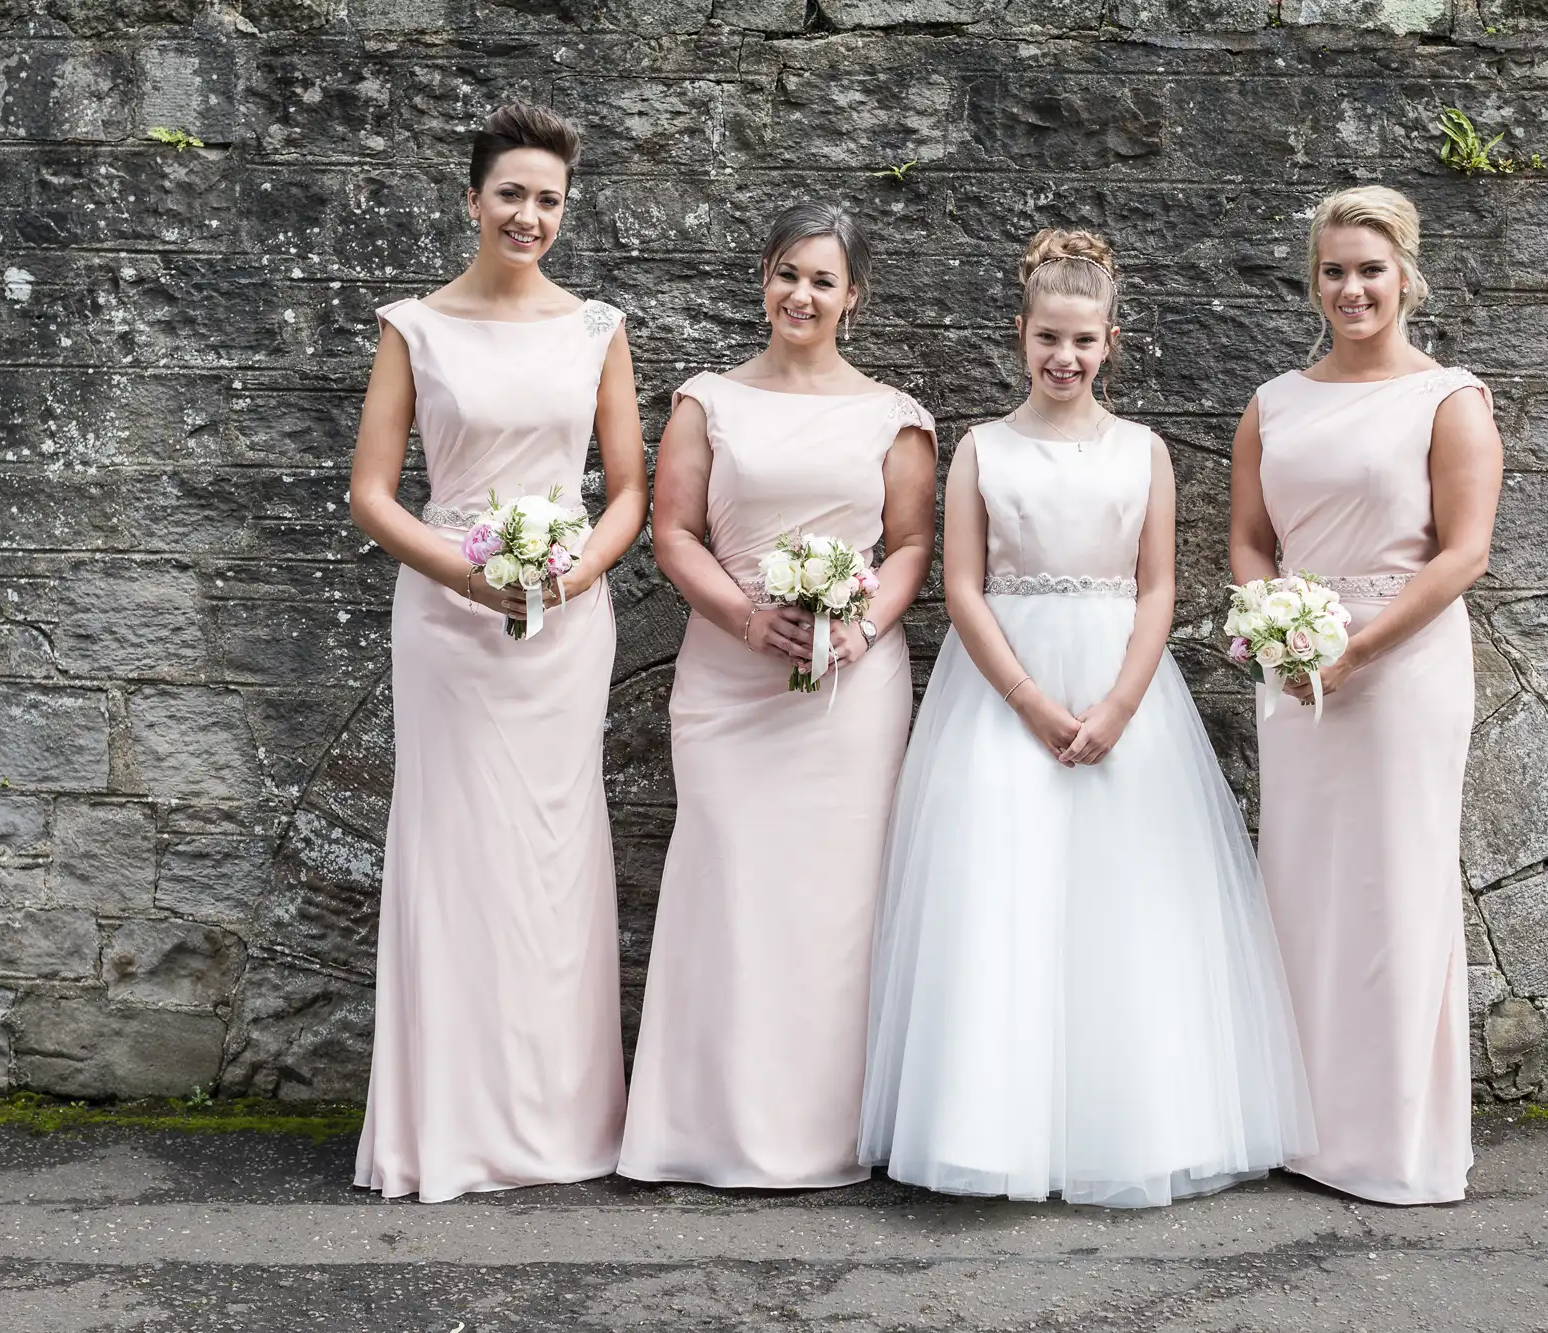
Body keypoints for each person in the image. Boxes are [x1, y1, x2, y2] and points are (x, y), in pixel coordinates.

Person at [859, 228, 1317, 1208]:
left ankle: (1130, 1122)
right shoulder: (980, 448)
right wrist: (1026, 698)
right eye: (1046, 339)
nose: (1062, 359)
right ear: (1019, 335)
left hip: (1121, 689)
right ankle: (987, 1126)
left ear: (1111, 341)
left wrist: (1116, 703)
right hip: (999, 690)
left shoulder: (1142, 451)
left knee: (1126, 901)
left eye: (1082, 341)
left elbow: (1157, 589)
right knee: (998, 888)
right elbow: (963, 587)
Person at [347, 103, 648, 1202]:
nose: (530, 215)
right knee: (454, 848)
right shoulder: (413, 328)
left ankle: (559, 1125)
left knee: (551, 856)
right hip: (447, 618)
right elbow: (371, 493)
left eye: (550, 200)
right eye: (512, 194)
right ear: (471, 198)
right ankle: (450, 1128)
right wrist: (463, 573)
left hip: (567, 624)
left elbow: (626, 493)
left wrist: (572, 574)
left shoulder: (597, 329)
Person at [620, 202, 938, 1189]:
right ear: (764, 278)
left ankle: (823, 1131)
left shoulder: (894, 415)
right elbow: (672, 532)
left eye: (823, 280)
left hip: (849, 691)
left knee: (833, 904)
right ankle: (702, 1129)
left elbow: (911, 545)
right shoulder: (705, 401)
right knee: (728, 887)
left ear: (855, 297)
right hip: (726, 679)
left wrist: (859, 625)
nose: (802, 294)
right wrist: (749, 620)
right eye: (787, 273)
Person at [1228, 185, 1502, 1206]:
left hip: (1402, 664)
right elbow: (1251, 538)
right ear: (1315, 280)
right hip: (1295, 668)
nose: (1351, 287)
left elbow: (1462, 552)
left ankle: (1392, 1142)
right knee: (1300, 883)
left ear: (1404, 278)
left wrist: (1354, 645)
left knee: (1394, 886)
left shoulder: (1447, 399)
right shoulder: (1272, 402)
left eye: (1369, 270)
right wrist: (1278, 630)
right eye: (1334, 270)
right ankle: (1300, 1127)